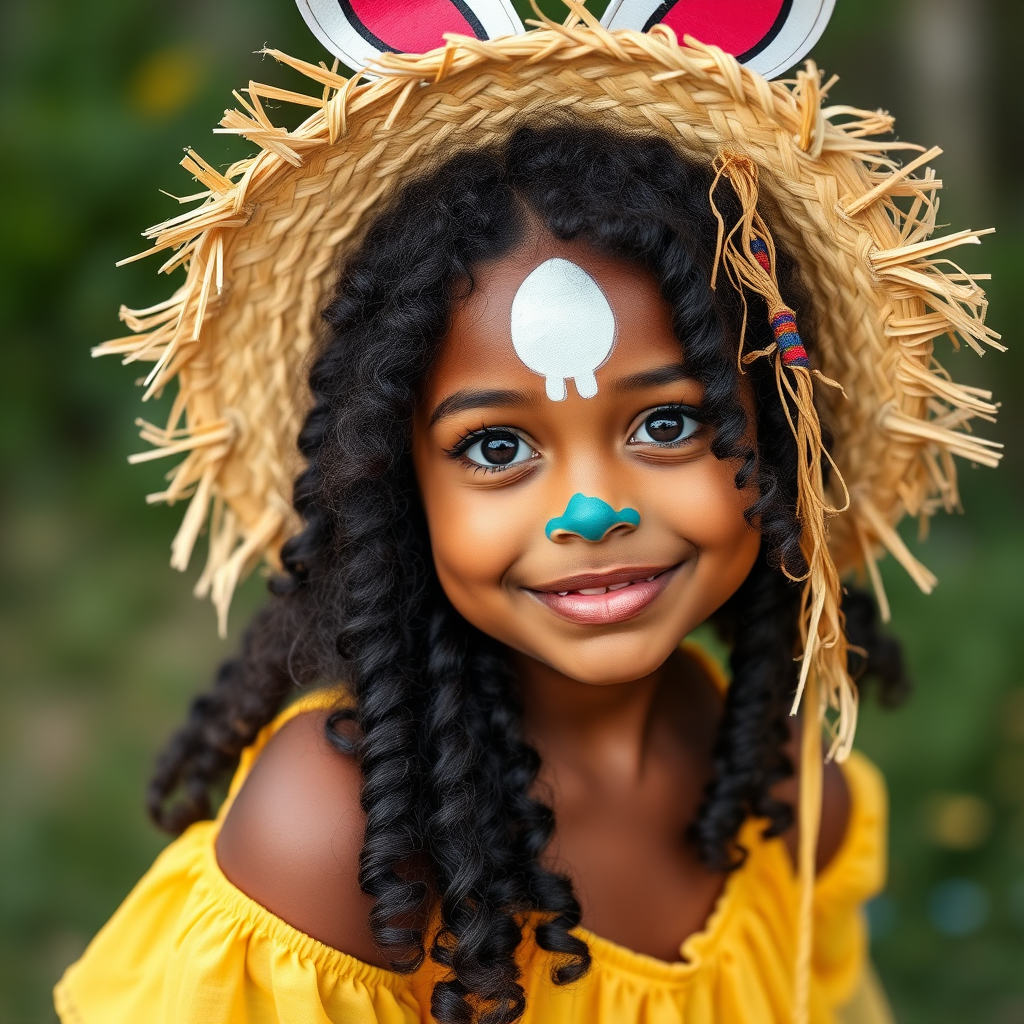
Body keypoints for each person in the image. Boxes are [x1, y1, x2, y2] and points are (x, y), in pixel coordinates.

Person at [54, 4, 1002, 1023]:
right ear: (399, 489)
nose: (590, 509)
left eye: (669, 425)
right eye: (496, 447)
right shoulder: (342, 839)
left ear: (777, 439)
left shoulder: (786, 797)